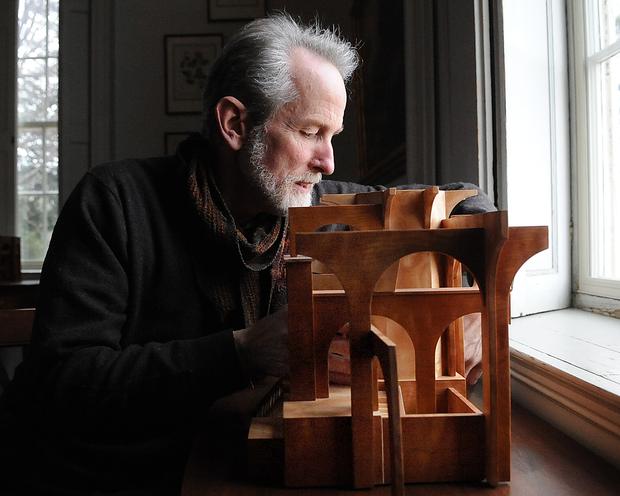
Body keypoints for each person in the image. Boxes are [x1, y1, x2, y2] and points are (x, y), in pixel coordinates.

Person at [0, 13, 494, 496]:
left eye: (332, 137)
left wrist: (478, 306)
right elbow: (62, 382)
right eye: (310, 132)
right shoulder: (113, 200)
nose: (328, 162)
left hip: (238, 466)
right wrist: (241, 352)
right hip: (113, 479)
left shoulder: (319, 203)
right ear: (235, 123)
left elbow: (467, 200)